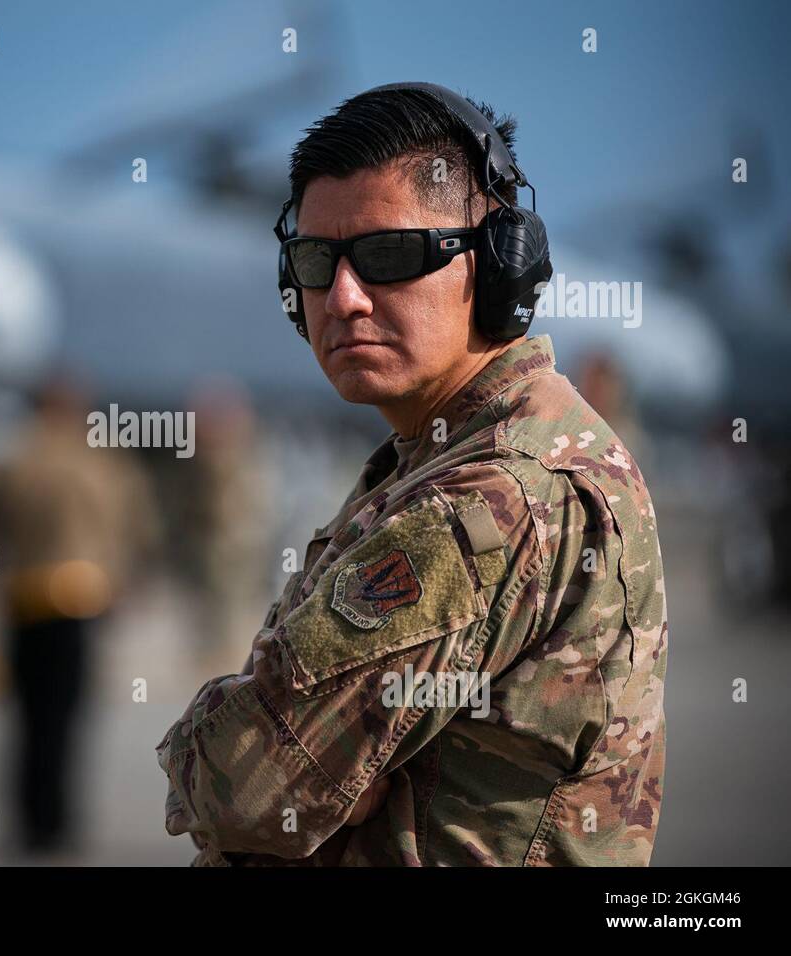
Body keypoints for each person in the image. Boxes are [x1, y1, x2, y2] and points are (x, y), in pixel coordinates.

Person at [156, 83, 667, 866]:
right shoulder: (441, 455)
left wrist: (214, 735)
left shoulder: (494, 496)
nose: (345, 298)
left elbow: (249, 788)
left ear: (499, 268)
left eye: (390, 256)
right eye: (315, 262)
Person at [0, 375, 157, 854]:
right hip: (81, 600)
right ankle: (60, 823)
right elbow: (135, 527)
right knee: (68, 718)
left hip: (27, 600)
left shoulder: (15, 457)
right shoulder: (103, 461)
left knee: (28, 718)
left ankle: (30, 823)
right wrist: (124, 581)